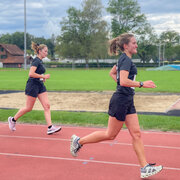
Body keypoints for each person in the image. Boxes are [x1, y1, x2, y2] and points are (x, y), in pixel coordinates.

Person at [70, 33, 163, 178]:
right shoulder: (125, 60)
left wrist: (124, 86)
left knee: (136, 133)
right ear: (126, 46)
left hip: (127, 99)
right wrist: (141, 84)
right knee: (110, 134)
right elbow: (124, 80)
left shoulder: (124, 59)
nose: (136, 45)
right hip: (120, 100)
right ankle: (79, 141)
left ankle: (144, 167)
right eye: (133, 43)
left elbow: (113, 73)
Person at [8, 42, 61, 135]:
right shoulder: (36, 61)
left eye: (47, 51)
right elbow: (31, 74)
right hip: (33, 86)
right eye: (45, 51)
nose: (46, 53)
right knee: (28, 108)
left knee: (47, 106)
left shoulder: (40, 61)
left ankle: (50, 127)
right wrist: (43, 77)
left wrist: (41, 77)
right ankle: (13, 120)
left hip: (40, 85)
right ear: (40, 51)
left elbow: (37, 74)